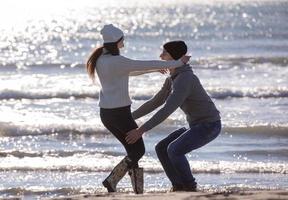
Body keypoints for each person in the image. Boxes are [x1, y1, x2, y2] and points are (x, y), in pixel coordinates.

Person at [86, 24, 190, 194]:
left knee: (132, 151)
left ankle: (138, 191)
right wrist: (178, 62)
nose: (124, 43)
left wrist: (154, 69)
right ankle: (112, 180)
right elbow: (139, 64)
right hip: (120, 113)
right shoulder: (117, 61)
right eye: (122, 40)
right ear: (116, 42)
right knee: (139, 150)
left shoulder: (101, 59)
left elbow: (129, 71)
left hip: (106, 114)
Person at [125, 41, 221, 192]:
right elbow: (155, 102)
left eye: (165, 53)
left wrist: (140, 130)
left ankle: (189, 186)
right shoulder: (172, 79)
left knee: (174, 150)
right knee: (161, 148)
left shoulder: (185, 79)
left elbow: (166, 110)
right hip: (196, 126)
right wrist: (129, 117)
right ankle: (178, 185)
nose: (160, 56)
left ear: (175, 58)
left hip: (209, 126)